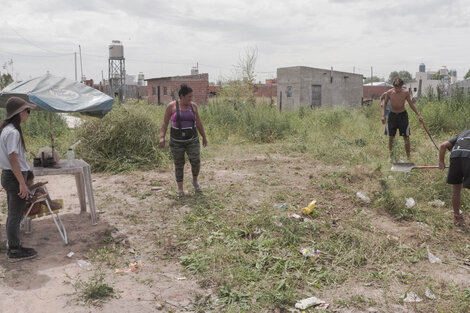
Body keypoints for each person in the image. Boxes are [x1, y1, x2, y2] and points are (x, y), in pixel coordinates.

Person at [0, 96, 38, 261]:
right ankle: (14, 250)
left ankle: (12, 245)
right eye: (27, 111)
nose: (28, 114)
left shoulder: (6, 129)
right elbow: (13, 159)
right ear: (19, 113)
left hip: (9, 175)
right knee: (15, 215)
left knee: (12, 214)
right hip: (14, 177)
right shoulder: (13, 132)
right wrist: (22, 183)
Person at [159, 84, 208, 196]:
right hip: (176, 141)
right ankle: (180, 189)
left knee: (196, 161)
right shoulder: (172, 106)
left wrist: (204, 136)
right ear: (181, 96)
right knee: (179, 164)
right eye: (189, 97)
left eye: (192, 97)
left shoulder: (193, 106)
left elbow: (198, 122)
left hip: (192, 139)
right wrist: (162, 137)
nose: (191, 99)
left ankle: (194, 181)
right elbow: (165, 122)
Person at [382, 78, 423, 161]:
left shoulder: (406, 93)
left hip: (402, 116)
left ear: (401, 86)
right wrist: (383, 115)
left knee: (406, 137)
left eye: (398, 88)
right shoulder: (389, 92)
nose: (397, 89)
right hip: (392, 116)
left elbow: (411, 104)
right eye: (395, 87)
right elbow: (385, 103)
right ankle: (391, 157)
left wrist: (418, 114)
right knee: (391, 137)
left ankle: (408, 157)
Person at [438, 130, 470, 227]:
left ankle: (457, 217)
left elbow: (443, 145)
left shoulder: (463, 133)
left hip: (455, 156)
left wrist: (441, 162)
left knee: (456, 189)